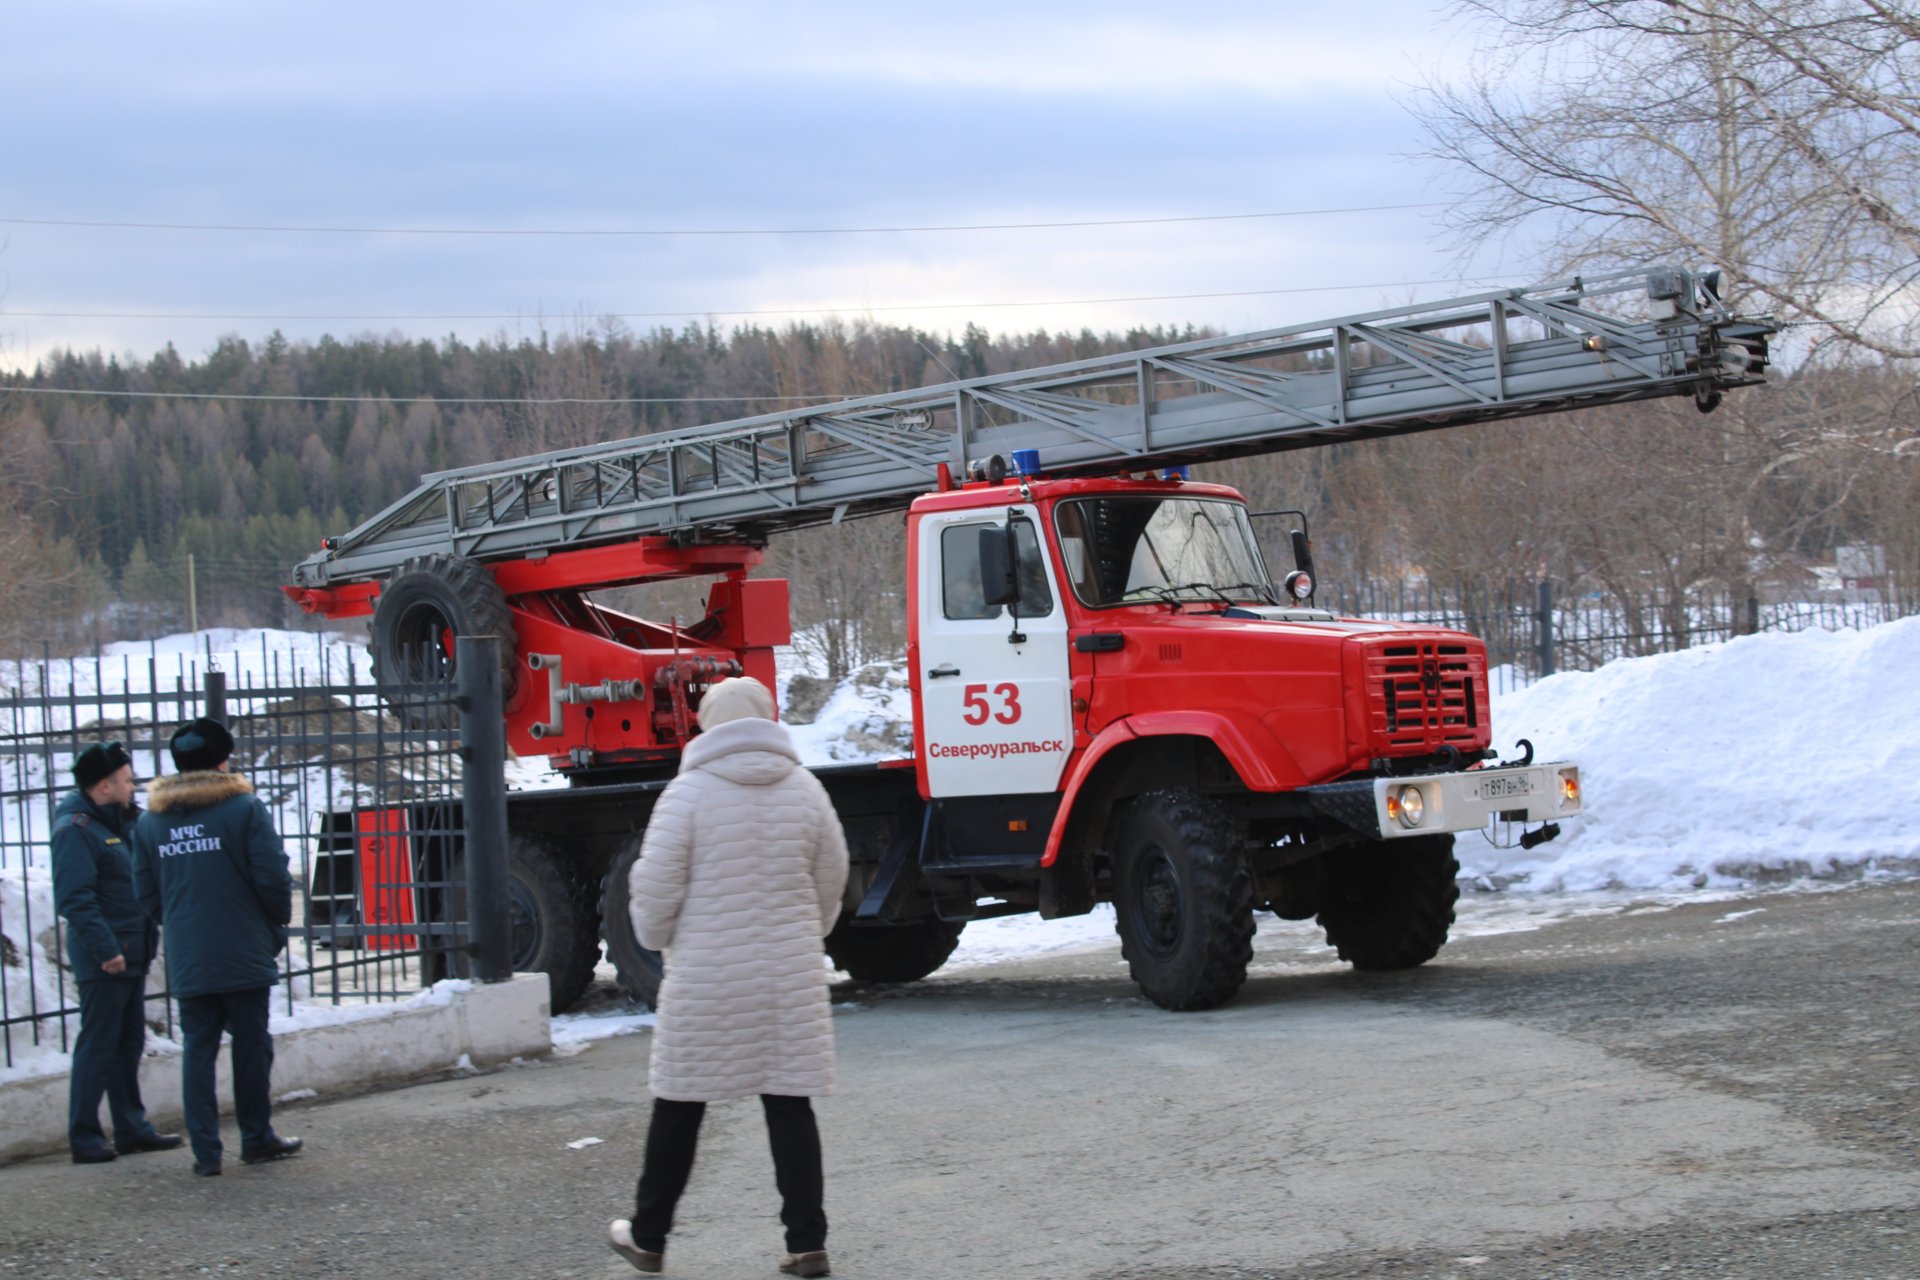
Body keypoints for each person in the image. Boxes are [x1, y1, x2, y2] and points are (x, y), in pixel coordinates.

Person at [607, 676, 850, 1278]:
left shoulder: (685, 796)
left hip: (708, 979)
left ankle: (648, 1237)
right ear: (768, 719)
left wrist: (656, 938)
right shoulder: (807, 791)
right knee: (790, 1104)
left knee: (680, 1105)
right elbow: (833, 877)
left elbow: (655, 888)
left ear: (707, 726)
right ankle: (806, 1242)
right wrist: (806, 931)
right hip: (787, 977)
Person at [130, 716, 301, 1178]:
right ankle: (256, 1137)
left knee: (198, 1050)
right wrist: (273, 923)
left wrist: (182, 923)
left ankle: (206, 1153)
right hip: (243, 947)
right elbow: (272, 876)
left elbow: (145, 893)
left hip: (189, 953)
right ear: (222, 761)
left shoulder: (149, 823)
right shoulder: (243, 809)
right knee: (250, 1047)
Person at [50, 740, 182, 1164]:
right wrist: (106, 950)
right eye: (126, 780)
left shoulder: (118, 821)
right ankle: (85, 1135)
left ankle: (131, 1128)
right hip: (107, 957)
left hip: (132, 950)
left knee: (127, 1042)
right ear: (103, 787)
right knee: (99, 1044)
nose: (133, 786)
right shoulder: (76, 829)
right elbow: (76, 899)